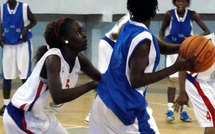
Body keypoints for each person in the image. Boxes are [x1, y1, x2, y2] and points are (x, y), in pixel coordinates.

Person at [89, 0, 194, 133]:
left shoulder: (129, 26)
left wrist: (187, 47)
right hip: (123, 107)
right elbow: (136, 80)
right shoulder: (143, 39)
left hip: (102, 102)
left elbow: (162, 47)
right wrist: (175, 67)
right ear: (154, 12)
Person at [3, 17, 101, 134]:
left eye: (83, 31)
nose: (84, 35)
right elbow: (58, 96)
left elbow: (101, 78)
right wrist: (92, 85)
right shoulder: (53, 59)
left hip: (45, 117)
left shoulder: (79, 59)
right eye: (78, 33)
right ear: (65, 39)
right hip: (22, 118)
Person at [159, 0, 210, 122]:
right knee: (172, 80)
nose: (180, 3)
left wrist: (195, 41)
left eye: (183, 1)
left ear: (187, 3)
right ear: (175, 2)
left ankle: (184, 111)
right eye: (178, 1)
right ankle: (170, 110)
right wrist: (163, 43)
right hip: (172, 51)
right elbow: (161, 30)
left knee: (187, 82)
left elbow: (207, 31)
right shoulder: (169, 15)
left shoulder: (193, 15)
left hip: (187, 51)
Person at [85, 13, 130, 122]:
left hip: (110, 45)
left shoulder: (132, 14)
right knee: (105, 80)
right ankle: (92, 113)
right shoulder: (133, 18)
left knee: (116, 80)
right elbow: (120, 36)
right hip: (109, 46)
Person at [0, 0, 37, 115]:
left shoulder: (24, 7)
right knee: (6, 75)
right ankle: (6, 104)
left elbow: (34, 21)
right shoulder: (2, 8)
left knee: (25, 75)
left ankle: (26, 104)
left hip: (23, 45)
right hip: (8, 45)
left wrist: (26, 28)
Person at [175, 33, 215, 134]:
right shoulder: (202, 42)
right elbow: (182, 66)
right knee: (213, 121)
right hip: (197, 81)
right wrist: (182, 92)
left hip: (211, 80)